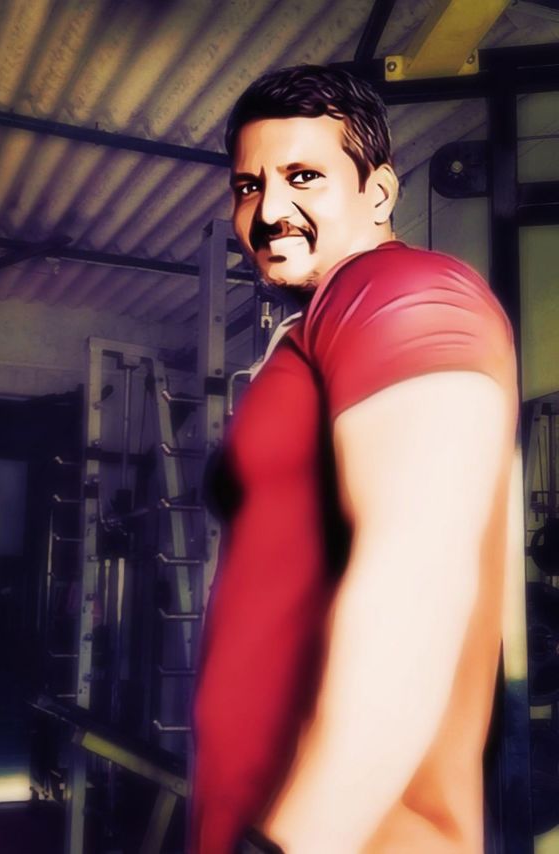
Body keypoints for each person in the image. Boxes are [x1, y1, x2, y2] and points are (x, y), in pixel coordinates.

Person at [189, 64, 519, 854]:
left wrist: (296, 844)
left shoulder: (400, 288)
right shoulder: (313, 330)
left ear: (378, 192)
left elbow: (415, 581)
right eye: (248, 186)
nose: (269, 210)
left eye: (303, 176)